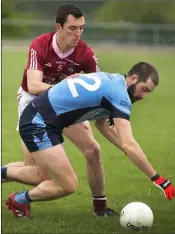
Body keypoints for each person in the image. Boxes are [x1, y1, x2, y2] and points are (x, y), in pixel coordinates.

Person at [2, 62, 175, 219]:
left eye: (148, 93)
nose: (144, 96)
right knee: (67, 184)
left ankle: (12, 188)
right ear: (133, 78)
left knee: (43, 176)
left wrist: (125, 145)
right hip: (38, 122)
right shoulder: (120, 95)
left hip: (43, 118)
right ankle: (19, 199)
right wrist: (158, 179)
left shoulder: (114, 80)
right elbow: (129, 144)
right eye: (144, 89)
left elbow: (102, 125)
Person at [3, 3, 117, 216]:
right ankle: (4, 176)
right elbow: (35, 86)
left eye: (81, 28)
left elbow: (100, 87)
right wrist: (67, 87)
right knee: (37, 173)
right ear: (58, 27)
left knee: (93, 149)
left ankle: (100, 207)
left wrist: (108, 110)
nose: (78, 34)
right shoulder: (41, 45)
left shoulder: (85, 54)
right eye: (72, 28)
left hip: (63, 105)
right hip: (32, 103)